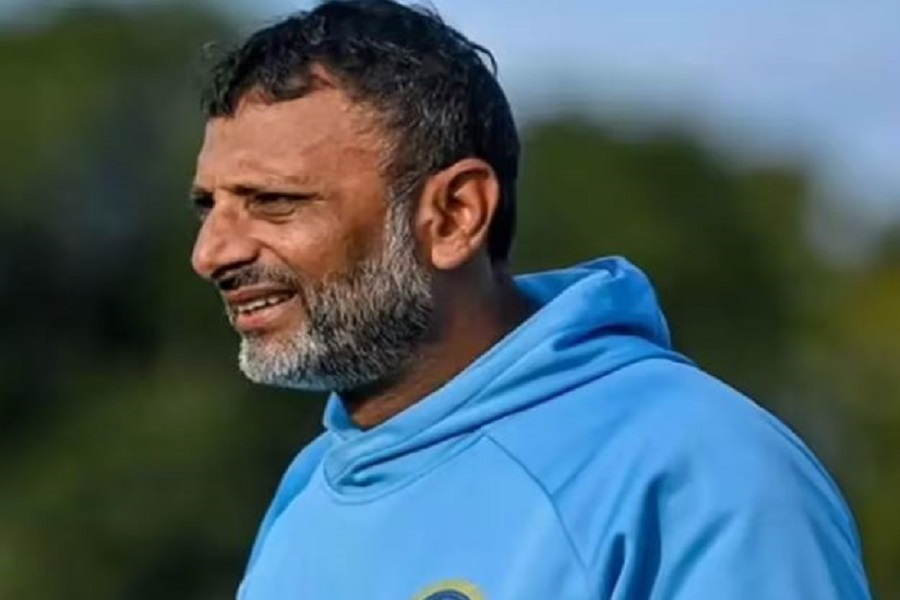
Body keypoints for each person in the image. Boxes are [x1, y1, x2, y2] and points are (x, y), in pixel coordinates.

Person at [189, 1, 871, 598]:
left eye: (273, 201)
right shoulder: (307, 492)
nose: (212, 253)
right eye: (208, 206)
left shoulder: (698, 469)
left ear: (455, 216)